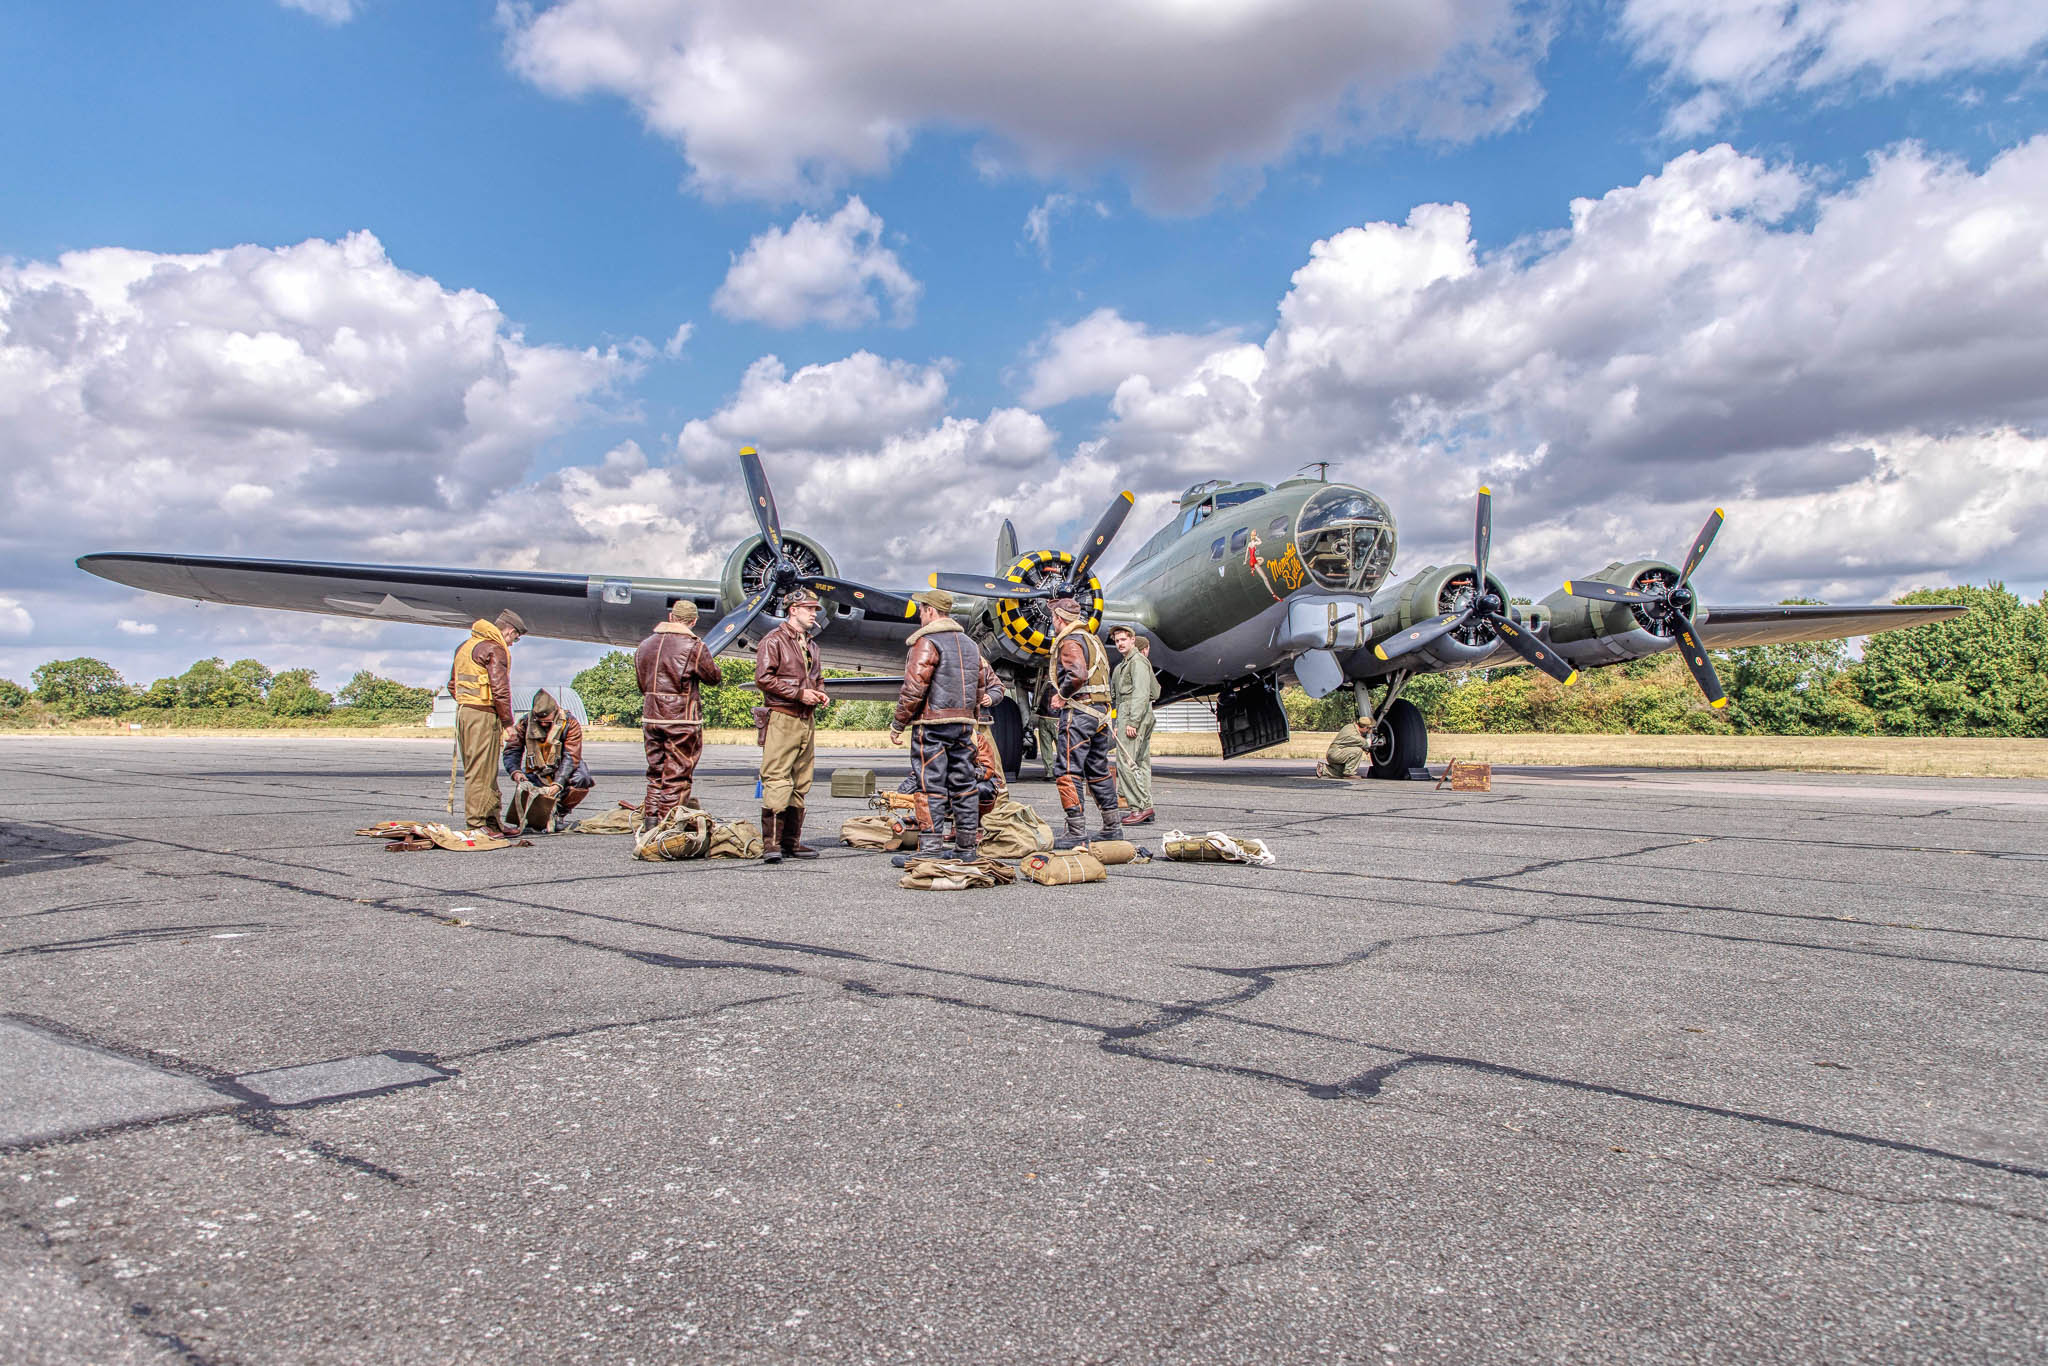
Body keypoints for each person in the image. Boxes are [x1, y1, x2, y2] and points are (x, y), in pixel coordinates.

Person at [888, 589, 1003, 867]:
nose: (919, 613)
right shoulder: (969, 644)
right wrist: (972, 718)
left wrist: (898, 722)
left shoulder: (926, 642)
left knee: (930, 788)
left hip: (933, 725)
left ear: (930, 611)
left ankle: (929, 850)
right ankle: (965, 848)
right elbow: (979, 688)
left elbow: (914, 688)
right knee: (964, 786)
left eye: (921, 608)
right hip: (964, 725)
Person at [754, 589, 830, 863]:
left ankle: (791, 842)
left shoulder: (811, 645)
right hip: (783, 716)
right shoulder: (773, 641)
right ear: (793, 609)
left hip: (805, 718)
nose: (814, 613)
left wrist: (820, 692)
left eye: (815, 610)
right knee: (777, 776)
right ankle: (771, 845)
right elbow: (763, 678)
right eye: (809, 608)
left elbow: (817, 677)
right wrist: (799, 694)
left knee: (802, 778)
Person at [634, 600, 722, 830]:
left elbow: (641, 682)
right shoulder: (694, 646)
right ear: (693, 621)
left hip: (651, 714)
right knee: (677, 775)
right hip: (681, 718)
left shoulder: (645, 644)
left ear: (671, 617)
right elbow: (713, 677)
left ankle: (651, 820)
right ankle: (668, 826)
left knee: (656, 772)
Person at [1046, 597, 1122, 848]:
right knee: (1098, 769)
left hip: (1079, 711)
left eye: (1053, 619)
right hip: (1100, 712)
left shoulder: (1070, 641)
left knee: (1067, 770)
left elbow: (1076, 674)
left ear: (1058, 618)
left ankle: (1076, 830)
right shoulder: (1092, 639)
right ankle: (1112, 827)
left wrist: (1062, 695)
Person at [449, 609, 526, 833]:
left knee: (486, 770)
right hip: (483, 714)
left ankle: (492, 821)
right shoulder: (495, 648)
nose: (512, 643)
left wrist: (469, 703)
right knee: (481, 772)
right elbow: (500, 690)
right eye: (515, 638)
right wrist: (507, 723)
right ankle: (477, 824)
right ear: (510, 631)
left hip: (465, 711)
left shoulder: (465, 646)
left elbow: (452, 685)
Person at [502, 690, 593, 833]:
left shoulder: (570, 723)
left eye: (547, 721)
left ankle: (559, 812)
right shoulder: (525, 723)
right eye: (540, 721)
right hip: (535, 770)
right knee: (527, 788)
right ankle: (534, 816)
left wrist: (558, 783)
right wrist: (515, 772)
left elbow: (571, 756)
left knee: (582, 777)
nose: (544, 724)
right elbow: (512, 750)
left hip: (563, 767)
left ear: (556, 712)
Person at [1109, 625, 1160, 825]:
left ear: (1132, 640)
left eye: (1123, 639)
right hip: (1133, 714)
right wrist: (1118, 722)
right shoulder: (1126, 664)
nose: (1120, 643)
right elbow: (1154, 693)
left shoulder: (1137, 662)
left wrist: (1132, 722)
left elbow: (1141, 693)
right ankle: (1145, 806)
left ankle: (1139, 807)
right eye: (1117, 641)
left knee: (1126, 762)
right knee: (1140, 763)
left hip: (1133, 715)